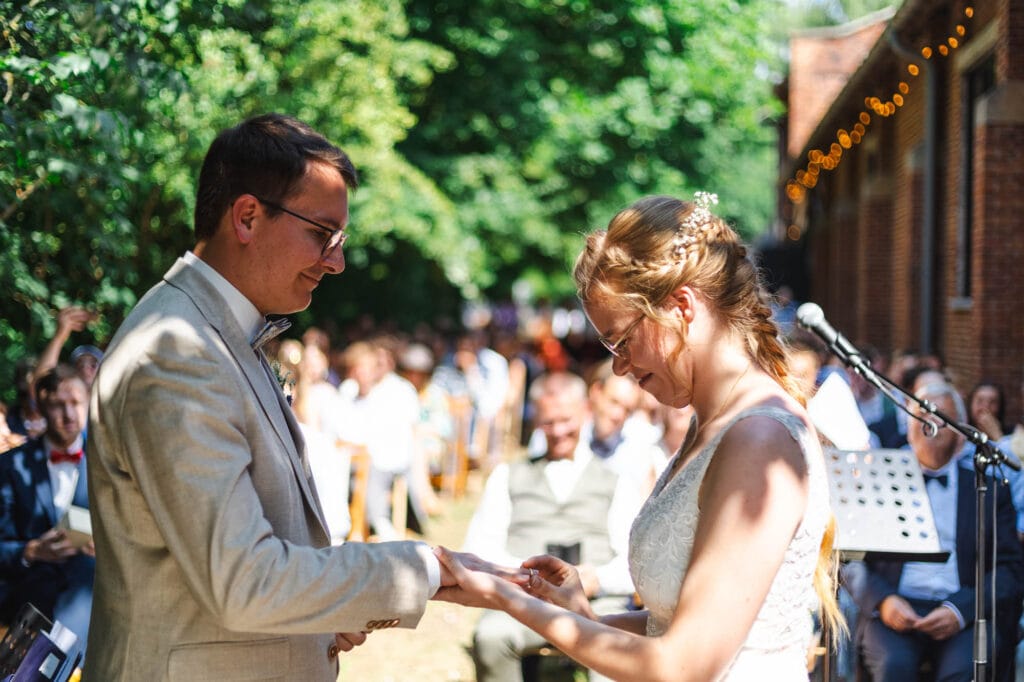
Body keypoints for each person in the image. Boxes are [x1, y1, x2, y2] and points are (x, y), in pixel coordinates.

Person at [85, 113, 517, 681]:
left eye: (340, 240)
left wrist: (319, 618)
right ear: (247, 217)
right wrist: (426, 567)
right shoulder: (176, 351)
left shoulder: (218, 332)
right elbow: (244, 581)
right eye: (321, 234)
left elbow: (227, 563)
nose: (336, 261)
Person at [434, 192, 840, 680]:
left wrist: (505, 599)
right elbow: (670, 627)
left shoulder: (759, 439)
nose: (620, 367)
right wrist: (573, 613)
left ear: (682, 307)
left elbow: (682, 665)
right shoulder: (709, 425)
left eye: (622, 341)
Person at [463, 371, 641, 682]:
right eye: (548, 422)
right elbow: (478, 547)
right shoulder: (507, 476)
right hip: (525, 602)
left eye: (566, 420)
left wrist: (596, 579)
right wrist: (525, 578)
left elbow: (634, 562)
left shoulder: (617, 481)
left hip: (597, 604)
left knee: (615, 650)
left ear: (585, 411)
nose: (558, 431)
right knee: (490, 637)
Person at [855, 381, 1024, 682]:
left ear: (960, 431)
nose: (930, 423)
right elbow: (854, 560)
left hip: (963, 610)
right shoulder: (882, 483)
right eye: (922, 415)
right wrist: (884, 600)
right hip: (896, 607)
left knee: (964, 670)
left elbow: (1009, 569)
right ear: (908, 427)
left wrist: (961, 609)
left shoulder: (988, 489)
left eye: (940, 416)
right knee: (894, 666)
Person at [0, 365, 94, 651]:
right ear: (41, 408)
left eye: (76, 403)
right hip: (27, 618)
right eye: (57, 405)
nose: (69, 414)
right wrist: (31, 551)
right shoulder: (11, 466)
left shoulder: (110, 465)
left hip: (94, 618)